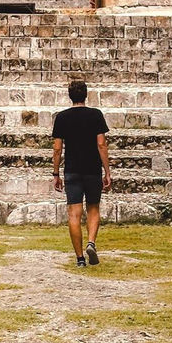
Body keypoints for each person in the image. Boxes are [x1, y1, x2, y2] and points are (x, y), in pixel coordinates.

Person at [52, 79, 112, 267]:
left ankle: (79, 258)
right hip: (92, 169)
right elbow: (101, 144)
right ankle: (91, 242)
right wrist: (107, 171)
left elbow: (57, 148)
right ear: (86, 94)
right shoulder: (96, 115)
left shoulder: (61, 117)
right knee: (93, 209)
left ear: (70, 96)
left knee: (74, 214)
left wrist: (55, 173)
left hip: (72, 170)